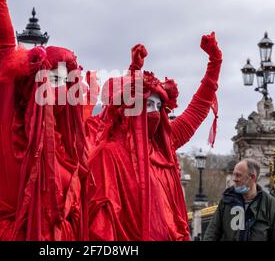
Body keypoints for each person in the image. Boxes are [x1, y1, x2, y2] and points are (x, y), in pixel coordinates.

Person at [0, 0, 90, 240]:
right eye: (50, 78)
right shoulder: (4, 124)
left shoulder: (69, 147)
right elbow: (2, 50)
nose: (59, 90)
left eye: (64, 81)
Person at [87, 31, 222, 240]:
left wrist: (215, 64)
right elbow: (101, 228)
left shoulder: (163, 145)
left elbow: (196, 110)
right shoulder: (108, 154)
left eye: (159, 106)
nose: (154, 112)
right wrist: (133, 74)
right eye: (148, 104)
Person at [204, 159, 275, 241]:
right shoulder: (227, 201)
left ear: (252, 177)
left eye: (238, 175)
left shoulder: (269, 203)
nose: (234, 179)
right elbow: (211, 233)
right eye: (233, 174)